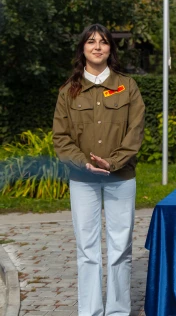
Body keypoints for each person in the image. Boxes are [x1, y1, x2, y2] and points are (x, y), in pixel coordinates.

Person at [53, 23, 145, 315]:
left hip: (121, 178)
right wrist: (85, 164)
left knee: (120, 249)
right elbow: (61, 138)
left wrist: (113, 162)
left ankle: (117, 311)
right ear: (83, 48)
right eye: (91, 41)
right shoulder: (69, 91)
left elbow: (136, 130)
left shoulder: (127, 85)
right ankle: (90, 311)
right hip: (82, 180)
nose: (97, 47)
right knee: (87, 250)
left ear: (110, 49)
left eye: (103, 42)